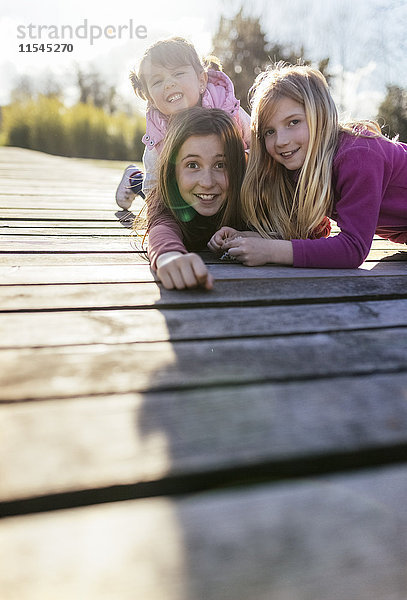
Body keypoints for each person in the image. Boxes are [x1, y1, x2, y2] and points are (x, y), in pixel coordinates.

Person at [209, 63, 407, 269]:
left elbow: (353, 249)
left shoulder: (359, 155)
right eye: (269, 131)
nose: (281, 141)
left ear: (320, 116)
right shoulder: (303, 167)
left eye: (293, 122)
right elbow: (311, 235)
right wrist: (251, 239)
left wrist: (269, 251)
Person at [116, 36, 251, 209]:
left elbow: (257, 147)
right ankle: (135, 180)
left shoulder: (230, 110)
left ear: (201, 80)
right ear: (150, 98)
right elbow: (153, 187)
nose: (169, 84)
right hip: (186, 193)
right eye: (158, 81)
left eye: (178, 73)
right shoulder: (160, 135)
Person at [134, 107, 246, 289]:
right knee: (140, 186)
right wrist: (169, 256)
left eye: (220, 165)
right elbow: (161, 229)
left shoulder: (250, 196)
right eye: (193, 165)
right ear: (173, 172)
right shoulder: (168, 203)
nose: (207, 182)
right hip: (156, 189)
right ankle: (133, 177)